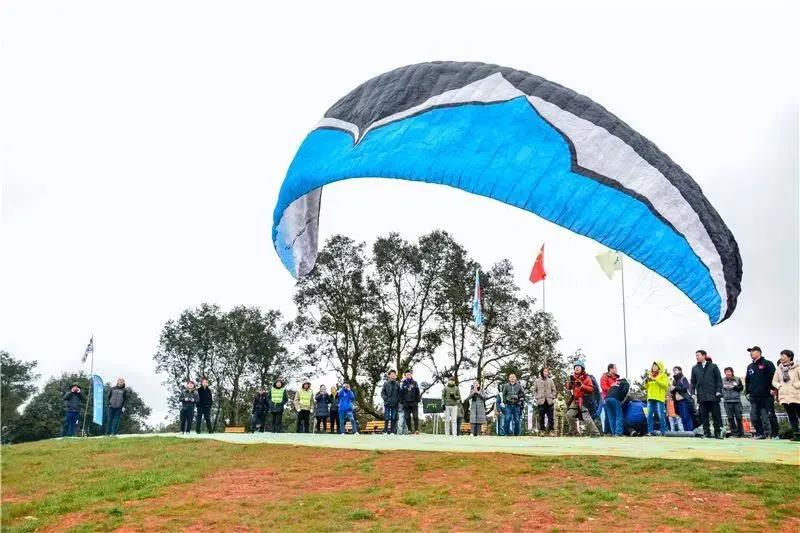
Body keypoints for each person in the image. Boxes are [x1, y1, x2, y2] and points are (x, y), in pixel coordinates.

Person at [745, 346, 779, 440]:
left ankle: (775, 434)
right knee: (754, 416)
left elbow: (774, 377)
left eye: (753, 351)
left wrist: (773, 389)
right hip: (754, 396)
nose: (751, 353)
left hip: (767, 395)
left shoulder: (768, 363)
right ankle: (760, 433)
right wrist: (747, 392)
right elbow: (747, 381)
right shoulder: (750, 366)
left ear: (759, 352)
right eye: (750, 352)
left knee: (770, 415)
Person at [691, 350, 723, 439]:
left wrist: (718, 390)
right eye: (696, 355)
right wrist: (693, 392)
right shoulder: (695, 368)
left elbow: (719, 379)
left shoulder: (713, 366)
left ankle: (717, 433)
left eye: (698, 355)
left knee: (716, 416)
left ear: (704, 355)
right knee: (704, 416)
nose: (697, 357)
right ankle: (706, 433)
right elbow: (693, 382)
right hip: (702, 396)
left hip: (713, 395)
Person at [564, 362, 600, 437]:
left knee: (586, 417)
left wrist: (582, 386)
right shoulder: (573, 377)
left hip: (584, 399)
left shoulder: (586, 377)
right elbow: (568, 388)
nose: (577, 368)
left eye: (578, 367)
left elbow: (591, 389)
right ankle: (574, 432)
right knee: (569, 415)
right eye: (575, 367)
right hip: (575, 399)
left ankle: (595, 433)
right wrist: (569, 383)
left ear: (582, 368)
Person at [772, 349, 800, 441]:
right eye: (781, 356)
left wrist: (796, 385)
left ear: (789, 357)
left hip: (795, 394)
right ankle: (797, 434)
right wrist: (780, 386)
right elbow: (774, 381)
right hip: (784, 396)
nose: (781, 358)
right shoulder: (779, 369)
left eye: (783, 356)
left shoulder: (797, 367)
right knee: (791, 416)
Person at [645, 361, 669, 436]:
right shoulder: (650, 375)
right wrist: (646, 382)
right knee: (649, 415)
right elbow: (646, 387)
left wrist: (656, 379)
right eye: (653, 366)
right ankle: (650, 431)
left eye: (655, 366)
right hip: (650, 398)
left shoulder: (663, 375)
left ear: (659, 367)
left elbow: (665, 385)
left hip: (659, 398)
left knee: (660, 415)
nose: (654, 367)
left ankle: (663, 432)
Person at [722, 367, 745, 438]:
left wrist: (734, 386)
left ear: (732, 372)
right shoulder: (722, 380)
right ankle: (734, 433)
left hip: (736, 401)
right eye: (726, 372)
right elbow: (720, 389)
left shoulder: (737, 379)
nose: (728, 373)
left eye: (729, 371)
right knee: (730, 418)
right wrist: (723, 393)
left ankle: (741, 433)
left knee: (739, 418)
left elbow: (741, 388)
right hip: (727, 401)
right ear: (725, 373)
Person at [533, 367, 556, 436]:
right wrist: (537, 397)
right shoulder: (537, 381)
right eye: (544, 371)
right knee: (541, 417)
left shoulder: (551, 381)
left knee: (551, 417)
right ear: (542, 372)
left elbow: (554, 390)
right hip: (541, 401)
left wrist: (552, 396)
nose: (546, 373)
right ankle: (542, 431)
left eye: (547, 371)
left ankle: (551, 431)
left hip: (549, 401)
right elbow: (534, 390)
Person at [670, 366, 694, 432]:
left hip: (684, 401)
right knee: (682, 417)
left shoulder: (683, 378)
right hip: (678, 402)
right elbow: (674, 391)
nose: (674, 371)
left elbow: (685, 388)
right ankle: (686, 432)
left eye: (676, 370)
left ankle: (690, 432)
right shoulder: (674, 381)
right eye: (673, 370)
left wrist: (675, 387)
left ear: (680, 371)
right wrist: (672, 390)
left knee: (686, 417)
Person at [600, 364, 621, 436]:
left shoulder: (617, 378)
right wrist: (612, 387)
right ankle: (607, 432)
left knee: (613, 415)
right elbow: (603, 387)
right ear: (610, 369)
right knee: (608, 415)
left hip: (616, 398)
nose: (616, 370)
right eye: (615, 368)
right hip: (607, 398)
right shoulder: (604, 377)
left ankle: (613, 432)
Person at [380, 370, 400, 434]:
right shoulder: (386, 383)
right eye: (392, 374)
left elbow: (399, 394)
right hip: (387, 403)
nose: (393, 375)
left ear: (395, 376)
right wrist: (386, 399)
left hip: (395, 404)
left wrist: (397, 400)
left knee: (393, 418)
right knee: (386, 417)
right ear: (389, 375)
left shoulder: (397, 384)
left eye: (394, 374)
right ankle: (385, 431)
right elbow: (382, 393)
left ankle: (392, 432)